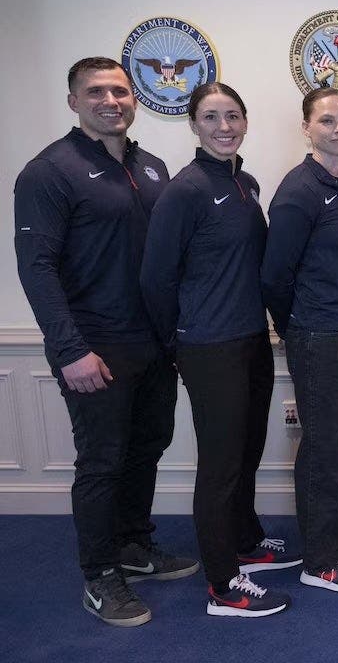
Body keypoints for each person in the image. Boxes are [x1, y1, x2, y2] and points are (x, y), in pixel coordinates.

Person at [14, 57, 195, 627]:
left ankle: (133, 546)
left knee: (149, 445)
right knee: (102, 461)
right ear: (74, 101)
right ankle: (99, 575)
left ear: (134, 98)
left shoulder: (153, 167)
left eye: (119, 90)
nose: (110, 101)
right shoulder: (49, 172)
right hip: (94, 344)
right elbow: (36, 267)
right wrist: (69, 349)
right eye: (95, 92)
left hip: (154, 343)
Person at [140, 82, 297, 617]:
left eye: (232, 115)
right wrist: (177, 340)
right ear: (194, 124)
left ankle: (245, 541)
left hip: (251, 337)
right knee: (221, 464)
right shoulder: (184, 191)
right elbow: (156, 278)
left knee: (248, 449)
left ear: (245, 121)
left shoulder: (244, 184)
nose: (224, 126)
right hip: (208, 345)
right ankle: (223, 584)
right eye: (211, 117)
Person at [261, 88, 338, 593]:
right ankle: (321, 559)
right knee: (325, 448)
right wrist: (295, 327)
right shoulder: (299, 191)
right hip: (320, 335)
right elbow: (274, 275)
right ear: (306, 127)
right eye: (327, 121)